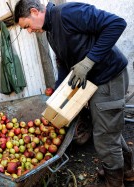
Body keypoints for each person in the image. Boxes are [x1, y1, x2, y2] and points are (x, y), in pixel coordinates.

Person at [14, 0, 132, 186]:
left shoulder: (68, 13)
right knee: (106, 128)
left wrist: (88, 61)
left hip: (109, 77)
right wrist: (59, 88)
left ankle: (115, 180)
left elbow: (116, 23)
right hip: (94, 82)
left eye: (27, 26)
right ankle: (126, 169)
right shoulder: (51, 32)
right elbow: (62, 62)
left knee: (104, 137)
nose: (29, 31)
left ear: (34, 11)